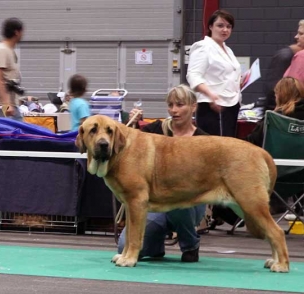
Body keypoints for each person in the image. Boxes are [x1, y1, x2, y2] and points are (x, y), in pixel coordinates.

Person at [119, 85, 207, 262]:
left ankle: (190, 245)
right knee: (123, 246)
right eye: (171, 105)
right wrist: (135, 125)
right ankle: (156, 246)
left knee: (177, 197)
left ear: (193, 106)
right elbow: (131, 146)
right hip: (155, 203)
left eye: (180, 105)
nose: (174, 110)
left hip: (189, 203)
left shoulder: (203, 139)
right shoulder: (156, 129)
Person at [187, 9, 241, 137]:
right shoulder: (203, 47)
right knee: (215, 148)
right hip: (212, 105)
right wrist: (210, 94)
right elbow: (193, 75)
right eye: (220, 25)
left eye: (228, 26)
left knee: (228, 146)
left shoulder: (228, 50)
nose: (225, 30)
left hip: (231, 104)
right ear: (210, 26)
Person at [246, 77, 304, 147]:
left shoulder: (273, 118)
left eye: (276, 94)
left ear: (280, 96)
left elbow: (252, 141)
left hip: (273, 157)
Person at [0, 17, 24, 121]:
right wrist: (6, 104)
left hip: (10, 106)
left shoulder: (9, 50)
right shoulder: (1, 50)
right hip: (2, 108)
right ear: (17, 32)